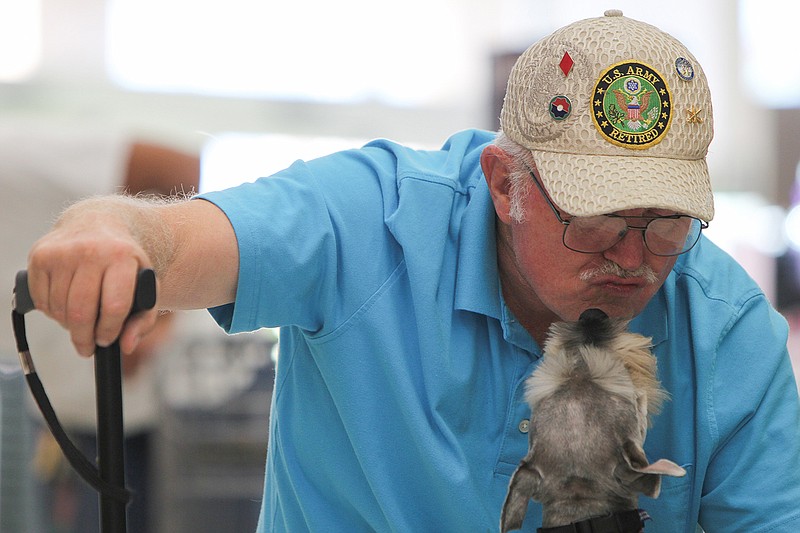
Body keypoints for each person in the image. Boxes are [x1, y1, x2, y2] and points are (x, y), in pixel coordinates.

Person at [19, 11, 800, 532]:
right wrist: (109, 232)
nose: (633, 259)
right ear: (505, 184)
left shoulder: (728, 332)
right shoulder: (369, 223)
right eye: (595, 221)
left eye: (665, 223)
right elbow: (181, 239)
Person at [0, 120, 199, 533]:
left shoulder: (14, 158)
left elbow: (177, 167)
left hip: (138, 409)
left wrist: (159, 316)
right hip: (55, 416)